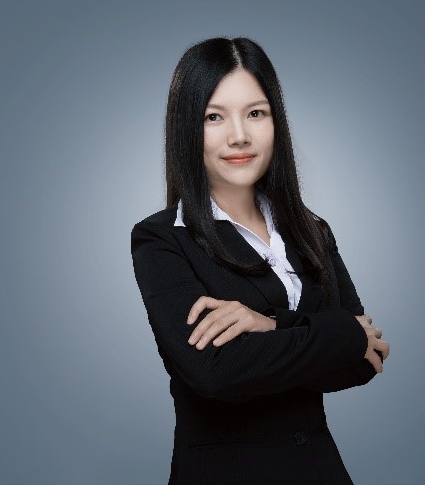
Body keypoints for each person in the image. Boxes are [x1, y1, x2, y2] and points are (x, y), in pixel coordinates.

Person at [130, 36, 390, 485]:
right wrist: (334, 337)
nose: (239, 136)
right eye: (214, 117)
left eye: (256, 113)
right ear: (187, 127)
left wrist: (268, 326)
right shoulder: (162, 239)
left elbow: (366, 359)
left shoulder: (311, 229)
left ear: (276, 122)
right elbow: (215, 372)